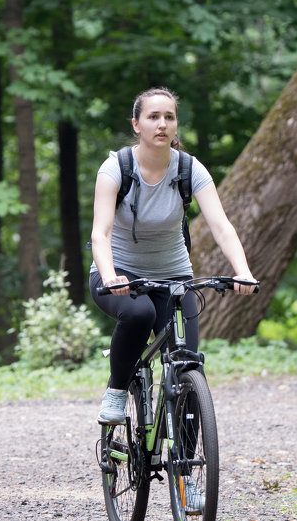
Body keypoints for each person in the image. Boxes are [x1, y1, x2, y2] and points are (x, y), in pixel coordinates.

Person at [89, 87, 255, 428]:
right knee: (139, 312)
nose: (162, 124)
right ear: (137, 124)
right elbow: (100, 233)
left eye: (169, 117)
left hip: (173, 276)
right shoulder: (115, 168)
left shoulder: (189, 169)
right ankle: (117, 391)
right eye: (153, 117)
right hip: (119, 273)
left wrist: (242, 271)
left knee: (188, 368)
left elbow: (222, 227)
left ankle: (187, 476)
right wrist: (110, 277)